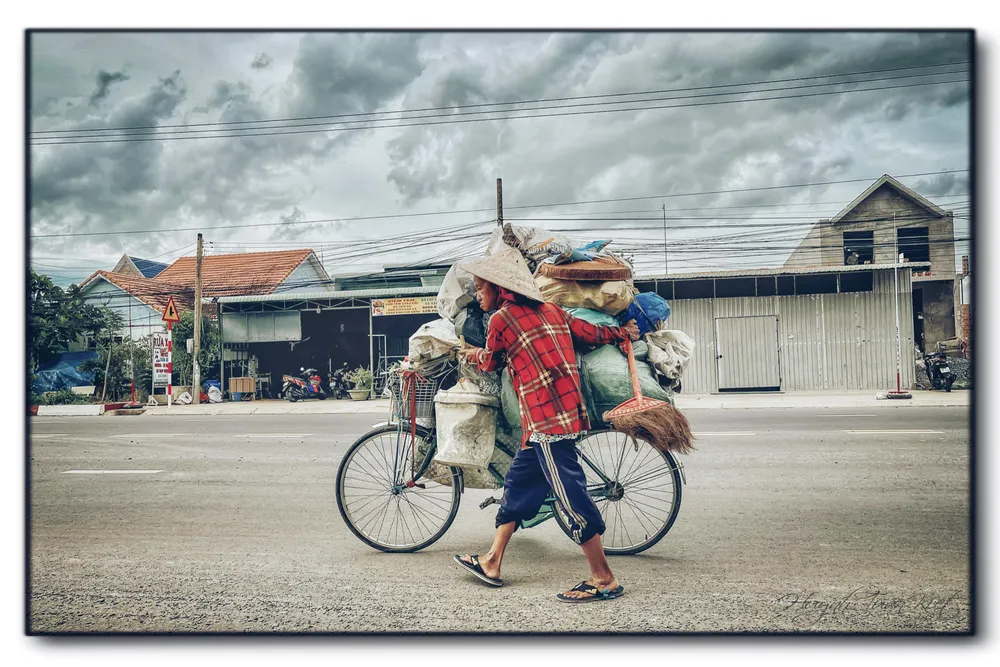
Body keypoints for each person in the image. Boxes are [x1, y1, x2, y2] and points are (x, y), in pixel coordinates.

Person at [452, 246, 640, 603]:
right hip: (555, 417)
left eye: (480, 288)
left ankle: (604, 578)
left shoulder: (501, 320)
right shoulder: (552, 309)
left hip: (549, 420)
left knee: (571, 496)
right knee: (519, 485)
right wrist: (621, 334)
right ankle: (492, 561)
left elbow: (491, 363)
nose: (478, 295)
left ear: (499, 288)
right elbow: (588, 332)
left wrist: (470, 354)